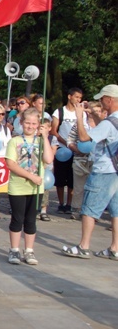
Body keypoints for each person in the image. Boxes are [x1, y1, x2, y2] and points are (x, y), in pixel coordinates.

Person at [62, 84, 118, 260]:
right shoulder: (112, 121)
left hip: (104, 170)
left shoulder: (109, 123)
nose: (100, 102)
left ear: (110, 99)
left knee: (89, 208)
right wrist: (93, 114)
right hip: (117, 171)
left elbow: (85, 138)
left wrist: (79, 117)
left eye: (102, 99)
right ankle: (115, 248)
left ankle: (84, 246)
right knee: (116, 211)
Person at [4, 108, 54, 265]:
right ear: (21, 123)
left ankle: (29, 250)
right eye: (27, 123)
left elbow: (48, 158)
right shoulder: (15, 141)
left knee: (31, 220)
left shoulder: (40, 141)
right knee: (17, 219)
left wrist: (45, 137)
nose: (30, 126)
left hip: (35, 188)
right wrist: (30, 176)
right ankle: (14, 249)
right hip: (18, 187)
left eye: (34, 123)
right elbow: (11, 163)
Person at [51, 88, 87, 214]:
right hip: (62, 148)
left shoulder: (82, 113)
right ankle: (61, 203)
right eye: (76, 97)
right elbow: (53, 130)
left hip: (77, 149)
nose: (78, 99)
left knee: (73, 178)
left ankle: (69, 203)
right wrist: (65, 142)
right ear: (69, 96)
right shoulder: (60, 112)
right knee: (60, 177)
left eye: (80, 97)